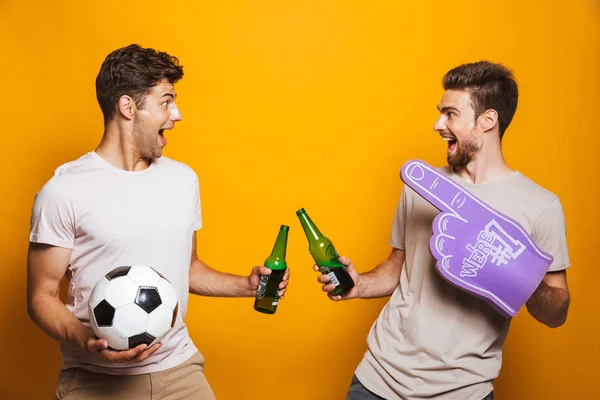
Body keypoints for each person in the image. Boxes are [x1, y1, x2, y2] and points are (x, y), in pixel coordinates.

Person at [27, 43, 290, 400]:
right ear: (127, 107)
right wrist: (86, 339)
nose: (177, 114)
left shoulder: (183, 180)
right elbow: (42, 296)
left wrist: (246, 285)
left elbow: (189, 267)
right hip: (95, 380)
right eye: (166, 101)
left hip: (179, 370)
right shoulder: (64, 190)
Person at [315, 61, 571, 400]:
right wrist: (360, 283)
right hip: (377, 380)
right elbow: (398, 268)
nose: (438, 125)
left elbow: (556, 313)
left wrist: (519, 274)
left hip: (463, 392)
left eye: (450, 114)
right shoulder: (423, 188)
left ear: (487, 120)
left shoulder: (540, 206)